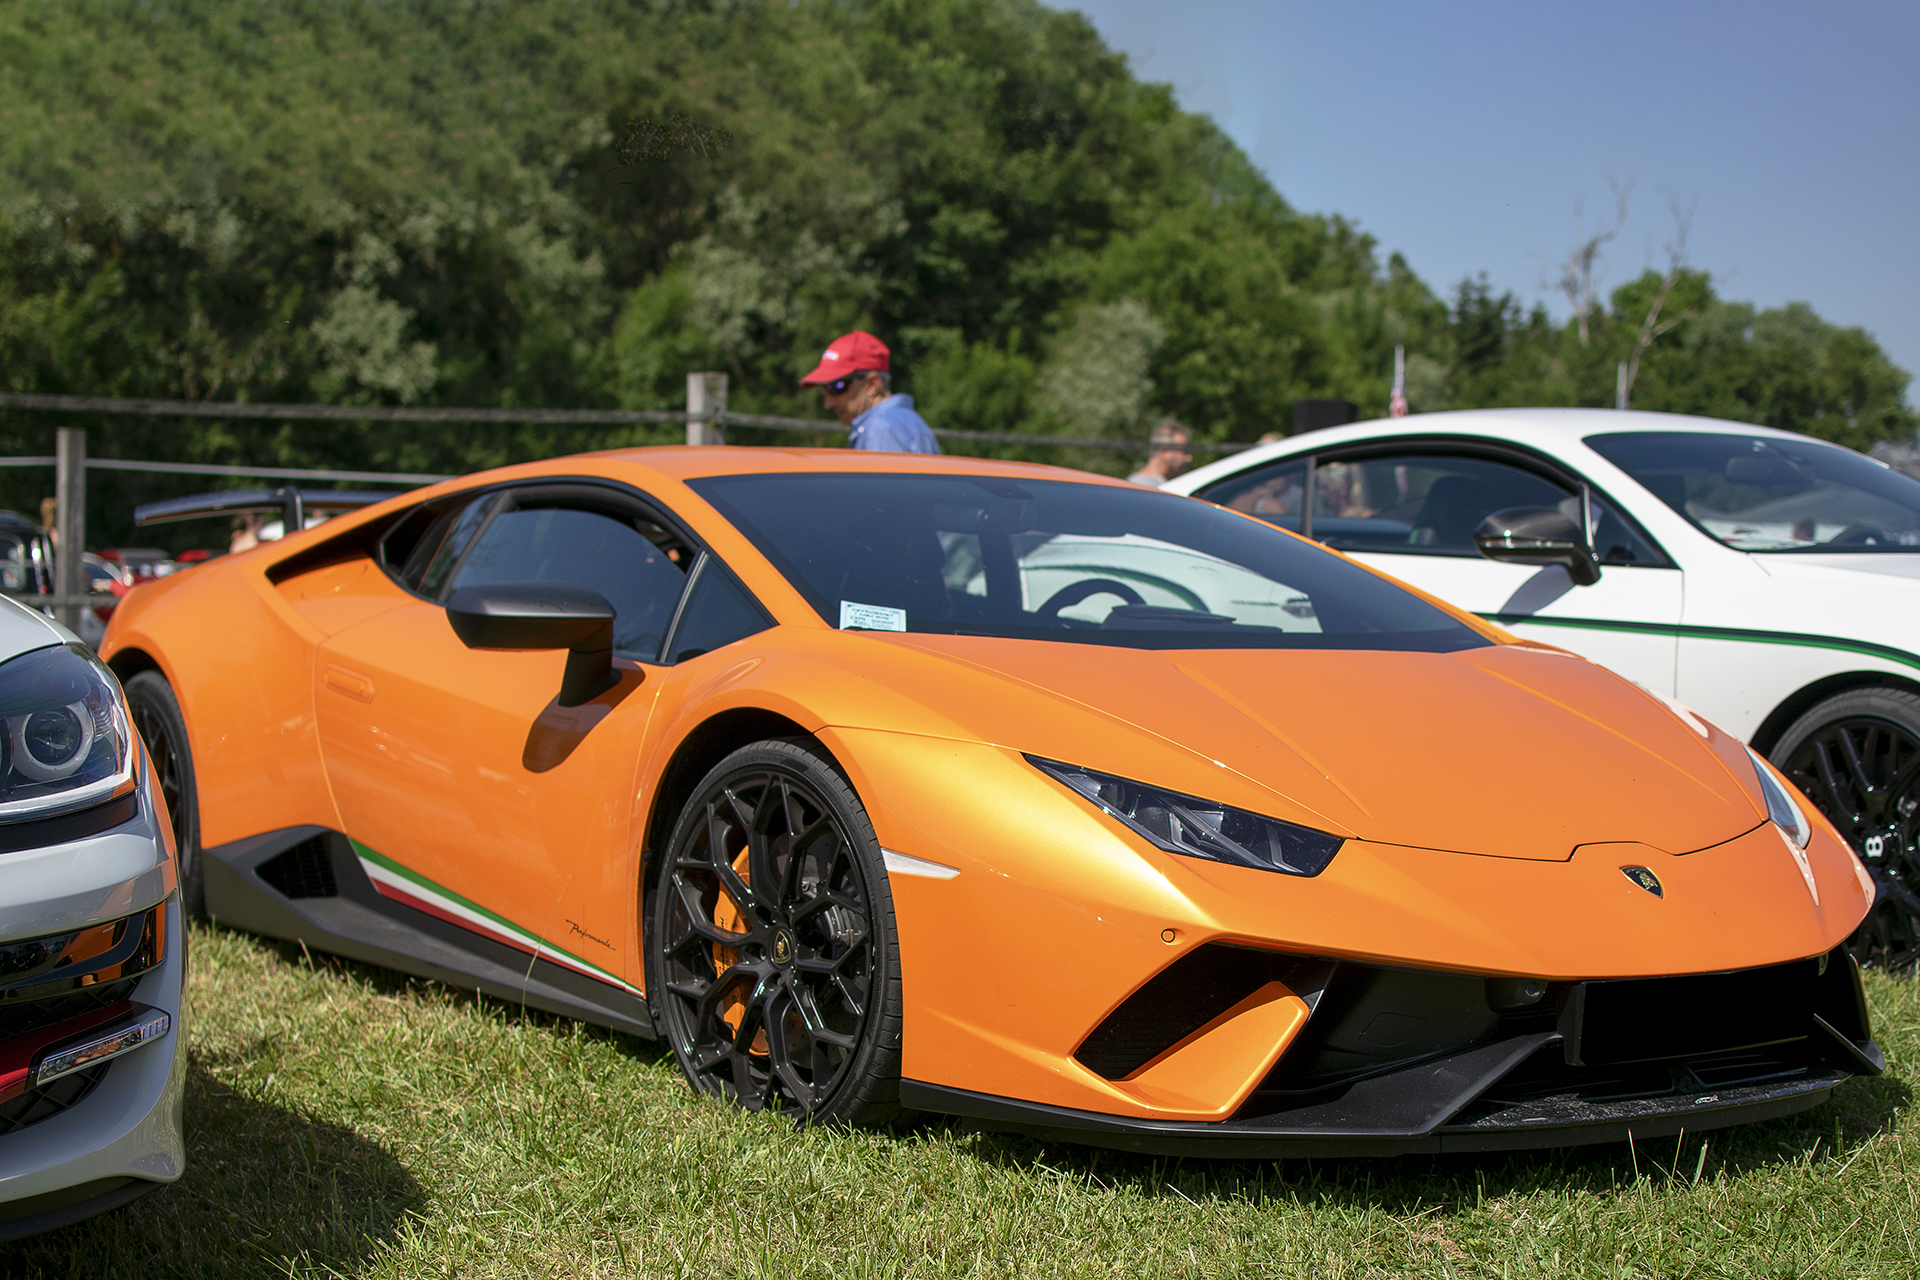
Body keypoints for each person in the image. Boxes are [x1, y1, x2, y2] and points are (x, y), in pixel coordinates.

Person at [799, 331, 939, 454]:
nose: (827, 403)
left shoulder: (881, 430)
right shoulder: (908, 421)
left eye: (837, 386)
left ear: (872, 384)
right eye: (824, 390)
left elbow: (882, 485)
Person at [1128, 418, 1192, 487]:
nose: (1189, 458)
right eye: (1184, 451)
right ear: (1164, 451)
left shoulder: (1142, 485)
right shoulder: (1144, 488)